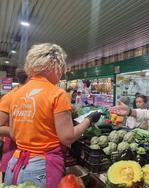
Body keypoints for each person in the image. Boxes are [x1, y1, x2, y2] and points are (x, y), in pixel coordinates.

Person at [4, 43, 103, 187]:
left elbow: (13, 133)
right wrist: (89, 119)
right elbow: (67, 137)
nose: (61, 73)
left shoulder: (17, 94)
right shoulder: (57, 94)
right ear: (51, 66)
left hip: (15, 165)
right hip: (41, 167)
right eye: (61, 68)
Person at [0, 68, 28, 181]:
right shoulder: (11, 96)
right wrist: (18, 131)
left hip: (27, 153)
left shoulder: (29, 95)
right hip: (12, 150)